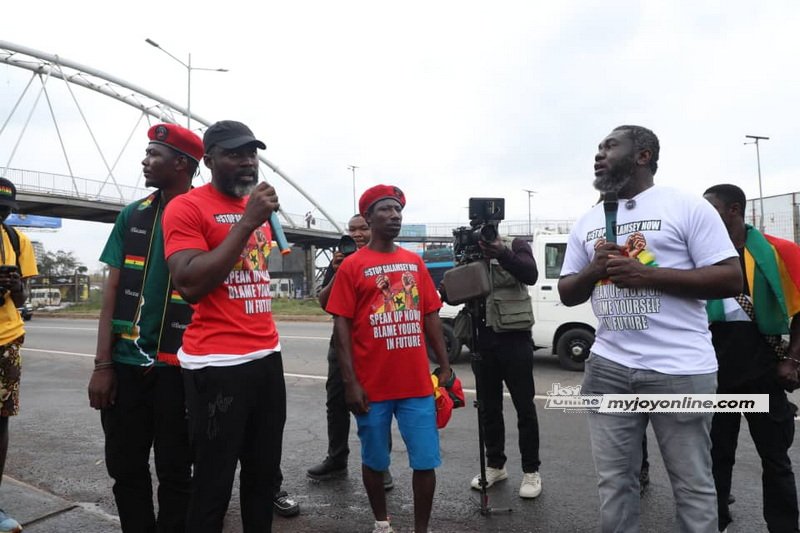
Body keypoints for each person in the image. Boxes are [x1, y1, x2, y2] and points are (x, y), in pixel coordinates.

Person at [558, 125, 742, 533]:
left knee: (692, 485)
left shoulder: (686, 206)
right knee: (615, 485)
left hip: (678, 369)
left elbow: (731, 279)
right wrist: (594, 269)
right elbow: (569, 292)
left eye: (610, 146)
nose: (599, 154)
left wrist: (647, 276)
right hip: (607, 367)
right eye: (598, 147)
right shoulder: (588, 220)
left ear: (643, 156)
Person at [162, 120, 287, 533]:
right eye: (235, 153)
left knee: (262, 478)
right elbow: (190, 283)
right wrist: (247, 222)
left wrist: (252, 217)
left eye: (252, 153)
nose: (248, 161)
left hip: (266, 357)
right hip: (216, 366)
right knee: (213, 486)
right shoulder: (187, 207)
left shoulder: (255, 207)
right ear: (210, 159)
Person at [87, 123, 202, 532]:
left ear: (182, 164)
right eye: (147, 152)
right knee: (125, 466)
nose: (145, 160)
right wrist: (103, 366)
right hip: (127, 365)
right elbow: (112, 291)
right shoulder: (132, 215)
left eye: (154, 154)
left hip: (181, 369)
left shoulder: (206, 214)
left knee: (177, 471)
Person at [326, 184, 452, 533]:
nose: (394, 216)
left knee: (425, 461)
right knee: (375, 460)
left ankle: (421, 529)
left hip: (416, 385)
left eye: (398, 210)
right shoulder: (352, 266)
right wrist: (350, 384)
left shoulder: (414, 262)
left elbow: (430, 314)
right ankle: (382, 523)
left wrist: (443, 364)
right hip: (372, 387)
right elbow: (341, 328)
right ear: (368, 217)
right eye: (385, 210)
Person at [704, 183, 800, 533]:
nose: (703, 217)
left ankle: (784, 526)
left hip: (763, 373)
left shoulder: (779, 251)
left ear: (734, 210)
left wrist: (792, 360)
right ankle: (715, 521)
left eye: (710, 209)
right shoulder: (699, 254)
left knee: (775, 459)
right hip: (715, 375)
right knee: (716, 457)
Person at [308, 213, 395, 490]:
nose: (357, 234)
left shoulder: (383, 260)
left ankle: (381, 467)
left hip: (373, 343)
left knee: (378, 405)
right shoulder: (341, 262)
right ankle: (337, 458)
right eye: (352, 229)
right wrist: (339, 270)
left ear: (374, 229)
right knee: (336, 402)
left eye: (363, 228)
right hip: (342, 343)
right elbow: (325, 302)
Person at [456, 233, 543, 499]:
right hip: (482, 342)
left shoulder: (515, 246)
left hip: (514, 340)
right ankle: (495, 465)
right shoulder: (467, 251)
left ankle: (531, 471)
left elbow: (530, 274)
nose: (483, 234)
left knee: (524, 407)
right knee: (488, 408)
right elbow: (455, 295)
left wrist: (501, 252)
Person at [0, 177, 38, 533]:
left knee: (0, 422)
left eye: (6, 211)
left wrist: (15, 288)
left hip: (6, 339)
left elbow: (24, 300)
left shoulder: (16, 239)